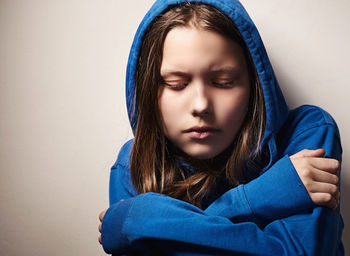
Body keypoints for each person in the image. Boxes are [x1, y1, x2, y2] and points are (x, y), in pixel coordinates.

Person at [98, 0, 344, 255]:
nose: (201, 105)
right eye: (176, 84)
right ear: (149, 90)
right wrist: (267, 194)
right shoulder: (134, 163)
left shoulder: (306, 133)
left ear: (254, 85)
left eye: (224, 82)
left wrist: (142, 218)